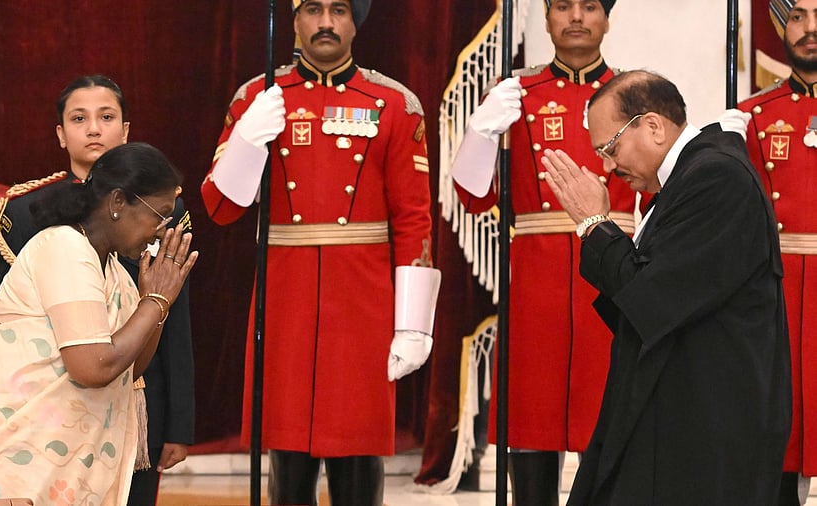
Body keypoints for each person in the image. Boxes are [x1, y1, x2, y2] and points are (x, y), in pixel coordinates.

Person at [200, 0, 440, 504]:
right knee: (286, 457)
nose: (325, 22)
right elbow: (220, 209)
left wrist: (414, 323)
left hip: (363, 302)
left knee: (357, 455)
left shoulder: (395, 103)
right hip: (286, 297)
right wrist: (246, 139)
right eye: (312, 9)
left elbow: (414, 217)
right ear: (293, 21)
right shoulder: (258, 97)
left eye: (338, 10)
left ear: (356, 22)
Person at [539, 69, 791, 504]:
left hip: (703, 437)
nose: (607, 165)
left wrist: (595, 225)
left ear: (653, 126)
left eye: (610, 146)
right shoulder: (688, 178)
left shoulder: (717, 178)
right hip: (677, 425)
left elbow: (649, 301)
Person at [0, 142, 199, 505]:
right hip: (7, 470)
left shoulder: (116, 272)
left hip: (51, 469)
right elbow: (92, 366)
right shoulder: (64, 249)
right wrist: (154, 302)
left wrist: (155, 304)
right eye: (160, 215)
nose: (162, 231)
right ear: (118, 203)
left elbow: (130, 367)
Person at [449, 0, 633, 502]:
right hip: (536, 282)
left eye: (589, 5)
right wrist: (481, 133)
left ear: (606, 18)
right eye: (562, 6)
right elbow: (472, 195)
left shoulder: (635, 92)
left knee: (610, 430)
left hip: (613, 276)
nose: (576, 16)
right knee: (531, 428)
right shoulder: (516, 94)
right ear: (547, 19)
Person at [0, 75, 195, 506]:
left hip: (129, 398)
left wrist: (179, 422)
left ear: (126, 128)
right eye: (80, 119)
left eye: (107, 117)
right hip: (45, 409)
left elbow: (170, 328)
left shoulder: (152, 218)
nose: (94, 129)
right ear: (61, 133)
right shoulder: (41, 223)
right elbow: (20, 335)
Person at [738, 1, 817, 503]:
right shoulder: (754, 117)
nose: (812, 30)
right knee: (778, 438)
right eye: (798, 16)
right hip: (780, 295)